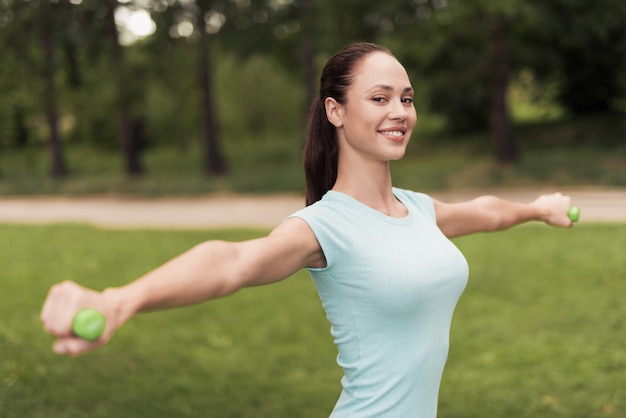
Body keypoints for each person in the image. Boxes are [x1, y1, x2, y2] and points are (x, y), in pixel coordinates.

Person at [40, 42, 574, 417]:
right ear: (335, 111)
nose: (400, 112)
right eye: (380, 97)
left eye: (406, 98)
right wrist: (120, 299)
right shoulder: (325, 227)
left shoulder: (418, 210)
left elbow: (484, 212)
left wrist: (537, 207)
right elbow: (232, 262)